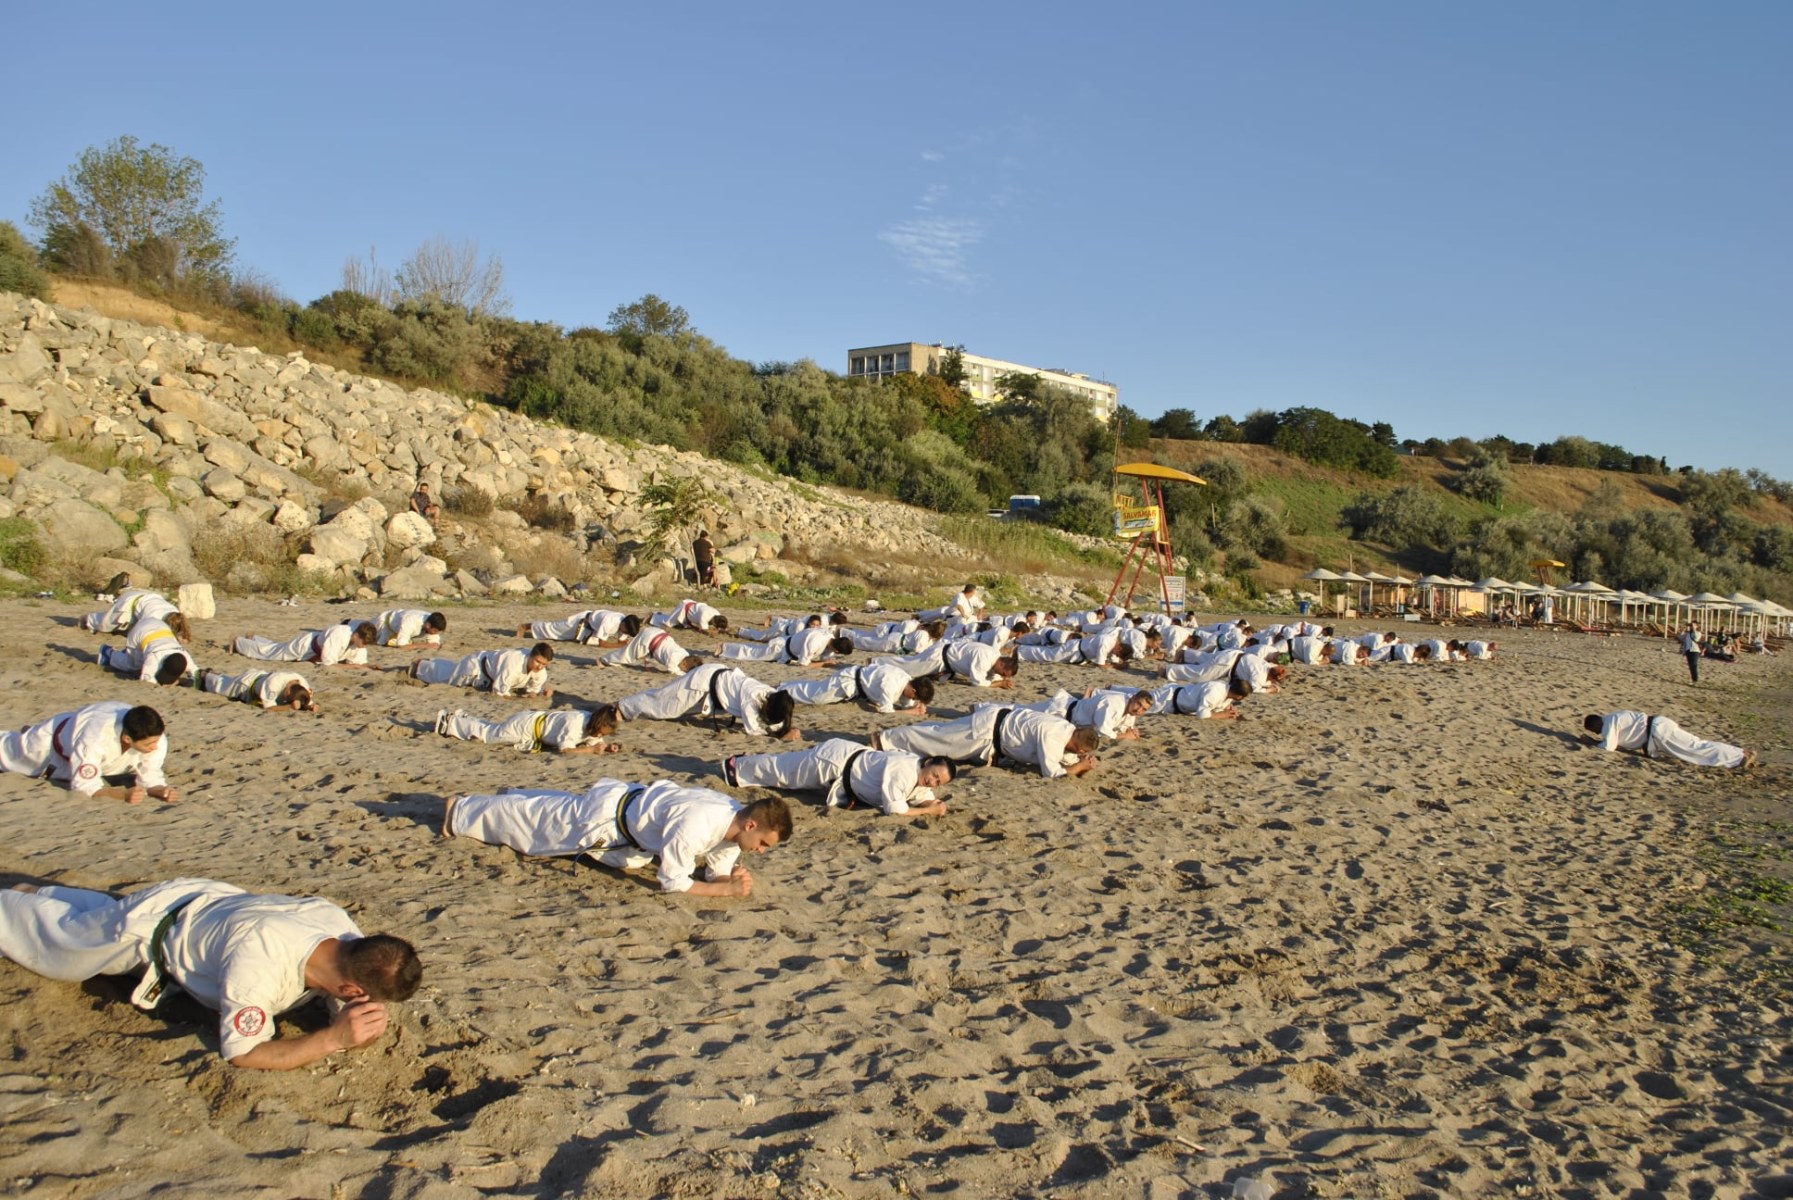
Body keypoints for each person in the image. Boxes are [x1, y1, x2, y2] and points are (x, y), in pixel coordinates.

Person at [0, 878, 420, 1069]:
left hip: (209, 904)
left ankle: (43, 892)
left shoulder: (343, 933)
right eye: (362, 996)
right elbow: (244, 1053)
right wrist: (333, 1039)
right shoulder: (259, 963)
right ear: (349, 987)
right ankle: (16, 901)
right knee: (55, 947)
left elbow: (348, 992)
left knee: (92, 915)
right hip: (151, 932)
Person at [444, 780, 791, 896]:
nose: (761, 852)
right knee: (532, 832)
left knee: (545, 813)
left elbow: (716, 869)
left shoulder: (732, 822)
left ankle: (512, 797)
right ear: (751, 826)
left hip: (630, 833)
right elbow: (672, 882)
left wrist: (731, 879)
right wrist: (725, 891)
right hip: (606, 820)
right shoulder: (699, 822)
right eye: (764, 844)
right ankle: (458, 811)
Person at [0, 701, 177, 803]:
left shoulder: (154, 735)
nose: (155, 747)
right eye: (149, 744)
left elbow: (150, 774)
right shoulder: (96, 737)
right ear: (127, 739)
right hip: (49, 746)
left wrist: (160, 790)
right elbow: (85, 788)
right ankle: (27, 735)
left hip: (79, 730)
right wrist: (123, 795)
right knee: (7, 753)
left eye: (156, 741)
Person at [722, 739, 954, 817]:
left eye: (938, 782)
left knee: (786, 772)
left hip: (846, 773)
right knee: (783, 773)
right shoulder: (904, 768)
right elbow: (895, 809)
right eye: (934, 775)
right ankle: (736, 766)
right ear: (927, 762)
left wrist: (932, 802)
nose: (932, 782)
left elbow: (922, 795)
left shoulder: (920, 774)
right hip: (834, 762)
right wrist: (929, 810)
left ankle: (745, 764)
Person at [875, 705, 1099, 779]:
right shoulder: (1054, 735)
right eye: (1080, 752)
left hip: (994, 734)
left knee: (940, 735)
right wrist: (1080, 766)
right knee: (937, 740)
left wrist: (1080, 761)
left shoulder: (1066, 728)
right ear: (1079, 747)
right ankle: (884, 739)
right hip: (987, 730)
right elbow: (1052, 772)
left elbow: (1063, 756)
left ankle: (893, 738)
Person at [615, 663, 801, 740]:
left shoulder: (773, 696)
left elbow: (779, 718)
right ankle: (622, 708)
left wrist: (785, 729)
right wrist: (781, 736)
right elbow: (753, 729)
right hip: (705, 680)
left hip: (716, 687)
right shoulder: (752, 697)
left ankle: (629, 708)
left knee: (672, 706)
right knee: (665, 706)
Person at [1581, 712, 1755, 769]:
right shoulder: (1613, 718)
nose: (1598, 733)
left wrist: (1591, 742)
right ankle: (1739, 754)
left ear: (1596, 724)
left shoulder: (1609, 722)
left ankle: (1740, 756)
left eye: (1595, 730)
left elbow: (1608, 747)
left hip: (1658, 732)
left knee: (1696, 748)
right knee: (1696, 746)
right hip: (1657, 731)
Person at [434, 704, 621, 753]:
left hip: (534, 724)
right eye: (600, 731)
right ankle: (449, 722)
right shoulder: (575, 723)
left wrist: (606, 747)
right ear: (597, 723)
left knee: (493, 729)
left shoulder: (591, 723)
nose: (599, 735)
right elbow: (566, 751)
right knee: (489, 736)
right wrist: (591, 750)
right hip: (525, 726)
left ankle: (464, 718)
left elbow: (594, 740)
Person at [776, 662, 934, 715]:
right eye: (914, 697)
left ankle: (785, 686)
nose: (912, 699)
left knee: (815, 689)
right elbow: (885, 710)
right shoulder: (891, 683)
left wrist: (917, 706)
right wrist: (911, 712)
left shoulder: (906, 679)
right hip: (847, 682)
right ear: (913, 691)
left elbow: (906, 702)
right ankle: (781, 689)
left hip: (856, 684)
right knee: (815, 696)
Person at [408, 643, 554, 698]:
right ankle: (420, 665)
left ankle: (430, 662)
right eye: (538, 662)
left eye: (544, 664)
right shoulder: (513, 664)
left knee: (452, 669)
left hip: (489, 673)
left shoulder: (541, 672)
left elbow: (532, 691)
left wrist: (541, 692)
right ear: (531, 656)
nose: (540, 667)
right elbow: (499, 693)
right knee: (448, 678)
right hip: (477, 667)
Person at [1016, 687, 1152, 741]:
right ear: (1133, 698)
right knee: (1020, 711)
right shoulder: (1113, 703)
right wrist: (1124, 736)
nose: (1139, 710)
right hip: (1062, 711)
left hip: (1069, 723)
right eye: (1139, 704)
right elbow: (1102, 729)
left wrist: (1131, 732)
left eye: (1143, 709)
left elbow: (1125, 727)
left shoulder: (1130, 709)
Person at [98, 612, 196, 686]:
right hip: (139, 632)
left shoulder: (185, 656)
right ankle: (107, 654)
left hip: (160, 626)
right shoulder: (154, 658)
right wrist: (178, 682)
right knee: (133, 667)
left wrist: (190, 680)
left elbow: (196, 674)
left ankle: (127, 653)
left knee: (142, 660)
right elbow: (147, 680)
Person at [233, 621, 378, 670]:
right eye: (364, 643)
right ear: (356, 635)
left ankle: (254, 639)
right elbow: (329, 664)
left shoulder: (357, 643)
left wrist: (370, 666)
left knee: (278, 648)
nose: (364, 646)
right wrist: (354, 667)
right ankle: (238, 642)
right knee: (271, 653)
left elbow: (360, 662)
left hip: (314, 650)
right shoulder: (339, 634)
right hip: (305, 646)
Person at [199, 667, 316, 713]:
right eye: (287, 697)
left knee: (227, 681)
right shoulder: (275, 683)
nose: (285, 699)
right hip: (247, 685)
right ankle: (205, 675)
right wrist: (289, 707)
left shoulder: (301, 682)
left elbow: (309, 702)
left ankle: (216, 674)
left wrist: (312, 707)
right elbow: (269, 708)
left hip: (261, 678)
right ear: (288, 691)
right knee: (220, 687)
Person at [600, 625, 703, 674]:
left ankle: (608, 660)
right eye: (684, 669)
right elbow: (674, 671)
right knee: (627, 656)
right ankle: (603, 660)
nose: (682, 670)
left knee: (629, 653)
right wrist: (685, 674)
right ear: (684, 664)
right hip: (649, 639)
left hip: (657, 633)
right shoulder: (674, 659)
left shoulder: (685, 653)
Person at [82, 588, 179, 635]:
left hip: (145, 599)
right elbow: (142, 632)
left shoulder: (176, 612)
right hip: (129, 602)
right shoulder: (152, 616)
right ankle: (87, 619)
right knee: (105, 624)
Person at [519, 609, 641, 646]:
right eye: (626, 631)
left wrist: (624, 643)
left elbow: (622, 640)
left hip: (590, 629)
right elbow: (602, 643)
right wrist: (619, 645)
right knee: (553, 629)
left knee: (561, 637)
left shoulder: (624, 622)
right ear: (624, 625)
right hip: (581, 622)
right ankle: (526, 626)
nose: (625, 633)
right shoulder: (610, 621)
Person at [373, 610, 448, 649]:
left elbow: (434, 643)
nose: (435, 633)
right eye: (435, 631)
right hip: (383, 623)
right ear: (428, 625)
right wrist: (425, 645)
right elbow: (402, 646)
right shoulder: (410, 621)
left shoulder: (431, 620)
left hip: (397, 629)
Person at [650, 599, 728, 635]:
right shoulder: (705, 615)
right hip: (683, 609)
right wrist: (716, 632)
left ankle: (660, 614)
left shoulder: (717, 614)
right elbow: (705, 631)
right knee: (668, 623)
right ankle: (653, 616)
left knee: (678, 624)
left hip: (691, 608)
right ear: (714, 623)